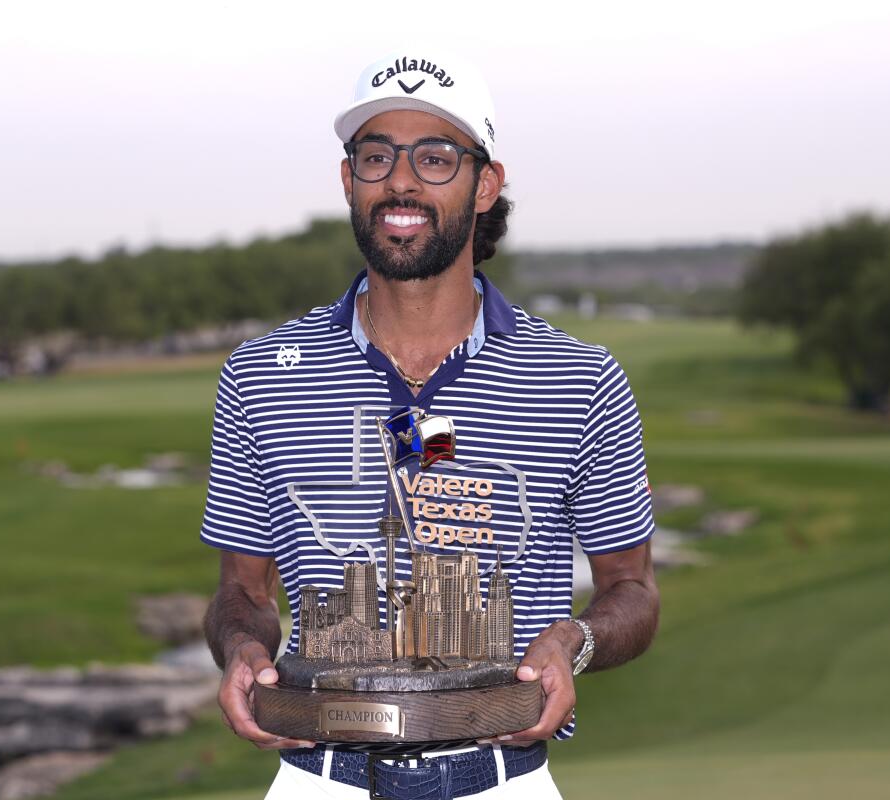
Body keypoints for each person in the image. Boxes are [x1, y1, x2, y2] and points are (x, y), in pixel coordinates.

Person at [202, 51, 659, 799]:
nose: (401, 181)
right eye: (376, 156)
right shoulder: (259, 375)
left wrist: (574, 642)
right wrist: (242, 646)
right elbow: (239, 591)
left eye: (436, 157)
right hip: (320, 777)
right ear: (349, 182)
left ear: (485, 185)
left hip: (500, 778)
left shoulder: (580, 378)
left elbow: (633, 588)